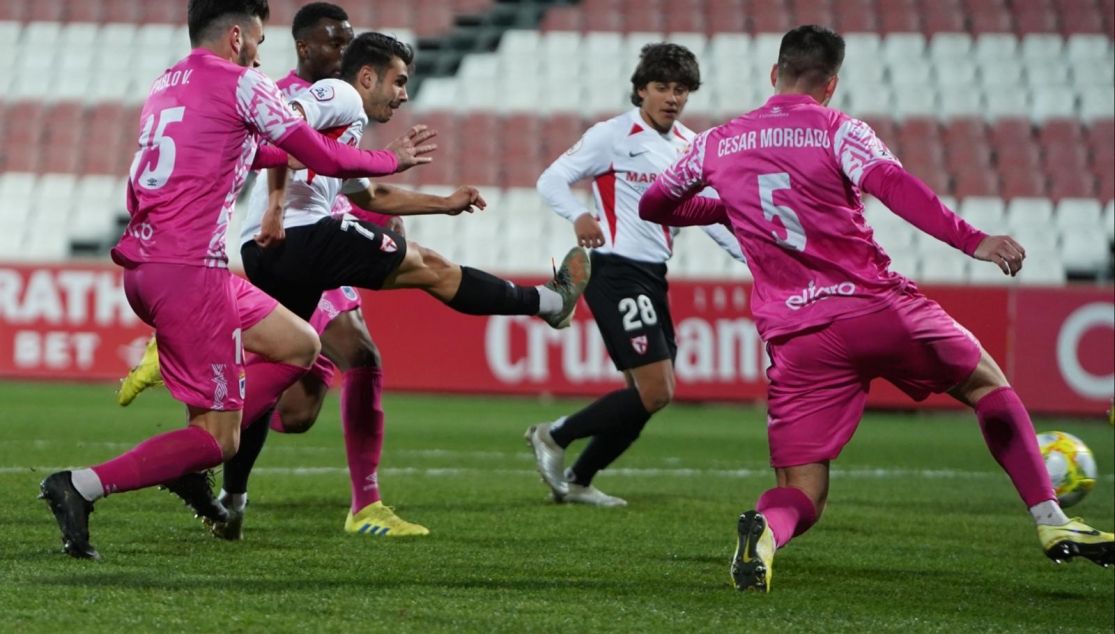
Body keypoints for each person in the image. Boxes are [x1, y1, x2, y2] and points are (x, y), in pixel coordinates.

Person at [639, 25, 1114, 592]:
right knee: (986, 384)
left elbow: (654, 204)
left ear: (774, 74)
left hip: (799, 337)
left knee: (802, 492)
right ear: (831, 84)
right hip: (876, 308)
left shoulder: (716, 143)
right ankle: (1051, 519)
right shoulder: (839, 129)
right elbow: (895, 186)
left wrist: (724, 209)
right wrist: (974, 241)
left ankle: (766, 532)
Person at [38, 0, 434, 560]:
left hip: (154, 266)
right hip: (190, 274)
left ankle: (187, 460)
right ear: (236, 39)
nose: (259, 55)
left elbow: (245, 153)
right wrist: (391, 161)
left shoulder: (166, 84)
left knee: (300, 343)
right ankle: (81, 485)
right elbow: (320, 154)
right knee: (219, 441)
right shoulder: (242, 83)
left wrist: (285, 158)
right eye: (258, 41)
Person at [526, 43, 745, 507]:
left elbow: (710, 216)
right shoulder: (612, 135)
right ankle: (554, 435)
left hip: (653, 274)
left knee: (645, 395)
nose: (672, 97)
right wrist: (578, 216)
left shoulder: (691, 147)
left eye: (681, 89)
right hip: (614, 270)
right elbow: (551, 180)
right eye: (662, 87)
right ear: (641, 89)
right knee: (657, 390)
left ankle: (579, 479)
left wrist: (756, 259)